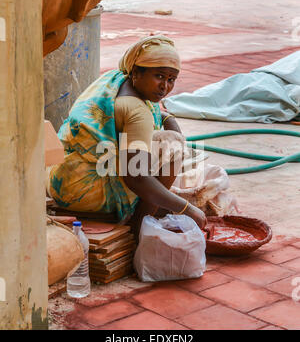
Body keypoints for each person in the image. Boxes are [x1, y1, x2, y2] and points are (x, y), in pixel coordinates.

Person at [47, 35, 207, 240]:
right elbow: (137, 177)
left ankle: (153, 204)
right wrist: (186, 208)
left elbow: (158, 112)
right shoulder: (137, 110)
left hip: (60, 178)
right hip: (84, 192)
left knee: (164, 141)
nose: (164, 87)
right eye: (159, 76)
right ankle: (138, 224)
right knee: (172, 147)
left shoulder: (114, 81)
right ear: (136, 72)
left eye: (171, 79)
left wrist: (169, 119)